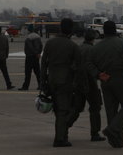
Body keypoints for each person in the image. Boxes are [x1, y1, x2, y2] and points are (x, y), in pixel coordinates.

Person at [86, 21, 123, 148]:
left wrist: (98, 74)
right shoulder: (122, 43)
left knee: (111, 110)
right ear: (115, 30)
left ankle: (116, 140)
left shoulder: (96, 47)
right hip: (119, 77)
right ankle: (113, 129)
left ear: (104, 31)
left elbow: (89, 63)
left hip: (105, 79)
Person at [40, 18, 81, 147]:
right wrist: (76, 83)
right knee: (64, 110)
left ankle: (63, 135)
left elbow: (43, 64)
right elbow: (78, 67)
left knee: (58, 110)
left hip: (51, 80)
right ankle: (59, 139)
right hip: (65, 82)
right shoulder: (73, 46)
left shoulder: (50, 43)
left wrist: (43, 82)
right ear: (71, 30)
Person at [67, 28, 104, 142]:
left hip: (77, 82)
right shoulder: (93, 50)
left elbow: (72, 66)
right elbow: (96, 66)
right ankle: (95, 133)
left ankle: (63, 127)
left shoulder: (78, 48)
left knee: (77, 108)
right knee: (95, 107)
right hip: (90, 82)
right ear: (93, 38)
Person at [18, 25, 42, 91]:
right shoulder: (38, 36)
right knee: (38, 72)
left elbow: (30, 47)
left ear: (29, 30)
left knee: (28, 73)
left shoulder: (29, 38)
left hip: (30, 57)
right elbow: (41, 46)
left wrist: (35, 53)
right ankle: (41, 85)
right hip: (36, 57)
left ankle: (25, 86)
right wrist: (38, 53)